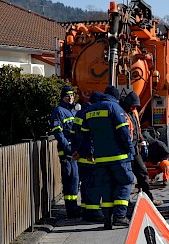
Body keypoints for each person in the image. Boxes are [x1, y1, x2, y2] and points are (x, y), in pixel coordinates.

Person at [77, 86, 135, 229]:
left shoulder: (89, 111)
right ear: (115, 97)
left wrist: (88, 153)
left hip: (100, 158)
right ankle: (120, 216)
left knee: (106, 188)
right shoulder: (115, 108)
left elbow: (84, 136)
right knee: (125, 182)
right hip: (118, 157)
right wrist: (131, 150)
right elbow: (124, 132)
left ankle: (108, 219)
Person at [121, 91, 163, 207]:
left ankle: (148, 198)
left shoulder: (133, 112)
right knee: (126, 177)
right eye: (133, 106)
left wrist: (141, 141)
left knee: (142, 173)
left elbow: (136, 128)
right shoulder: (121, 113)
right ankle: (125, 202)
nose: (134, 108)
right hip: (125, 150)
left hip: (134, 148)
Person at [71, 91, 104, 222]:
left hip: (79, 156)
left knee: (84, 184)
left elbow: (73, 135)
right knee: (93, 184)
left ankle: (86, 209)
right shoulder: (91, 114)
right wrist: (91, 153)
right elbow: (89, 136)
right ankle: (93, 212)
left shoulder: (79, 113)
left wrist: (75, 151)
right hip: (89, 155)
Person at [50, 85, 80, 218]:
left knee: (75, 180)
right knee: (70, 180)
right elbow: (58, 131)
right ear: (63, 97)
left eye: (72, 95)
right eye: (68, 95)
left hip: (75, 152)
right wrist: (67, 148)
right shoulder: (59, 111)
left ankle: (74, 207)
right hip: (67, 152)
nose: (70, 97)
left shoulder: (73, 111)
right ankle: (71, 210)